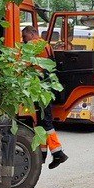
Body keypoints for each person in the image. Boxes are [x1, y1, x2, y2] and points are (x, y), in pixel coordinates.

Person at [21, 26, 68, 168]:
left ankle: (58, 153)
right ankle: (43, 155)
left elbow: (24, 65)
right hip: (47, 88)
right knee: (41, 123)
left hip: (38, 88)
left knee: (45, 123)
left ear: (32, 33)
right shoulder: (46, 45)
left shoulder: (33, 45)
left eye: (24, 36)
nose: (23, 40)